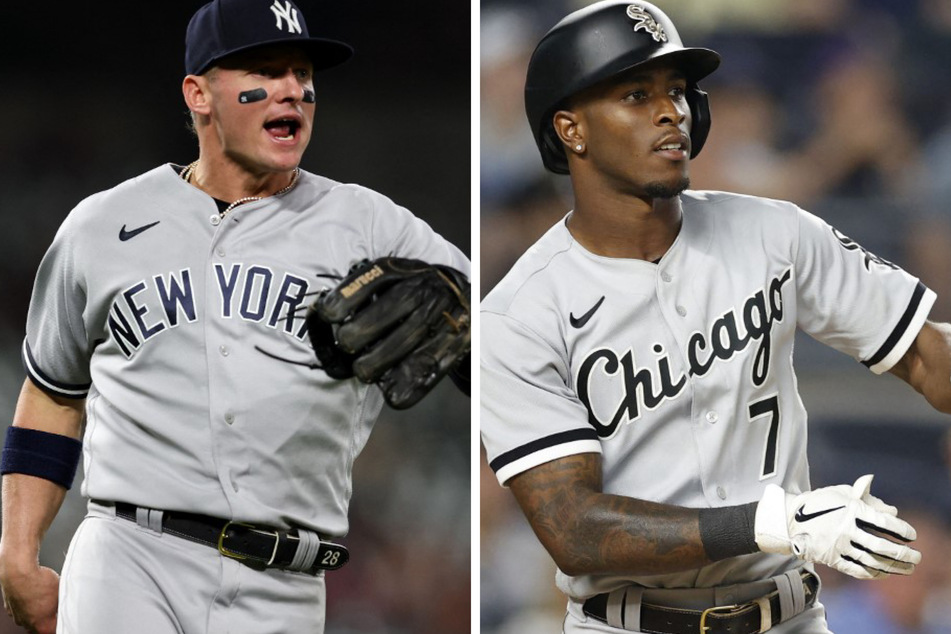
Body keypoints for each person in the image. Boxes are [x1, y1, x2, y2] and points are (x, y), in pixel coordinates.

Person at [479, 2, 951, 633]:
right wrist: (779, 521)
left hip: (789, 617)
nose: (670, 110)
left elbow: (928, 359)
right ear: (572, 129)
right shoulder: (517, 315)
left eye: (676, 91)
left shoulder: (772, 231)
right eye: (636, 94)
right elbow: (573, 528)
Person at [0, 1, 470, 633]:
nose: (294, 91)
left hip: (288, 585)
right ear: (198, 93)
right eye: (266, 70)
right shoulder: (101, 225)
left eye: (303, 73)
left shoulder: (371, 224)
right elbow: (54, 393)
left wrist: (468, 333)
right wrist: (18, 550)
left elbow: (496, 343)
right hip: (131, 557)